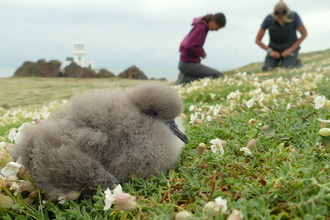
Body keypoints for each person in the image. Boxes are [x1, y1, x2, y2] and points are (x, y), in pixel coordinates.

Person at [255, 0, 307, 71]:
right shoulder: (268, 19)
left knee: (287, 68)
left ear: (287, 11)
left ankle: (296, 62)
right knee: (267, 68)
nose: (280, 15)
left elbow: (304, 34)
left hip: (290, 50)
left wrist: (291, 49)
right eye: (277, 13)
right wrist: (270, 51)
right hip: (274, 50)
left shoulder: (294, 16)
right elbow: (257, 40)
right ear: (274, 12)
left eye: (283, 12)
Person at [176, 13, 226, 85]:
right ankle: (185, 79)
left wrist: (201, 51)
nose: (217, 30)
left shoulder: (201, 27)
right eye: (218, 27)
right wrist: (201, 52)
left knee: (214, 75)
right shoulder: (201, 28)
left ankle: (185, 78)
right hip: (187, 64)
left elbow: (189, 44)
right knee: (218, 75)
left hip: (185, 63)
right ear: (214, 21)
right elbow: (188, 46)